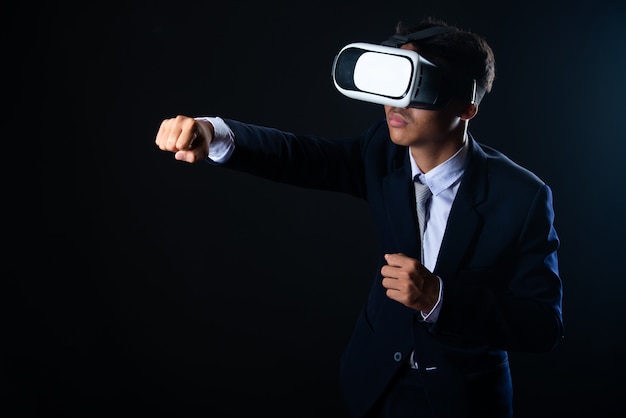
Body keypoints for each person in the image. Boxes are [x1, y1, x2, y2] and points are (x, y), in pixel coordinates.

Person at [155, 17, 564, 418]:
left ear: (466, 107)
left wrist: (439, 298)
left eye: (419, 86)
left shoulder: (523, 197)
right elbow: (300, 157)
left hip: (463, 397)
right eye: (395, 81)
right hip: (373, 383)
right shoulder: (381, 152)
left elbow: (543, 324)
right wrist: (213, 133)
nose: (395, 103)